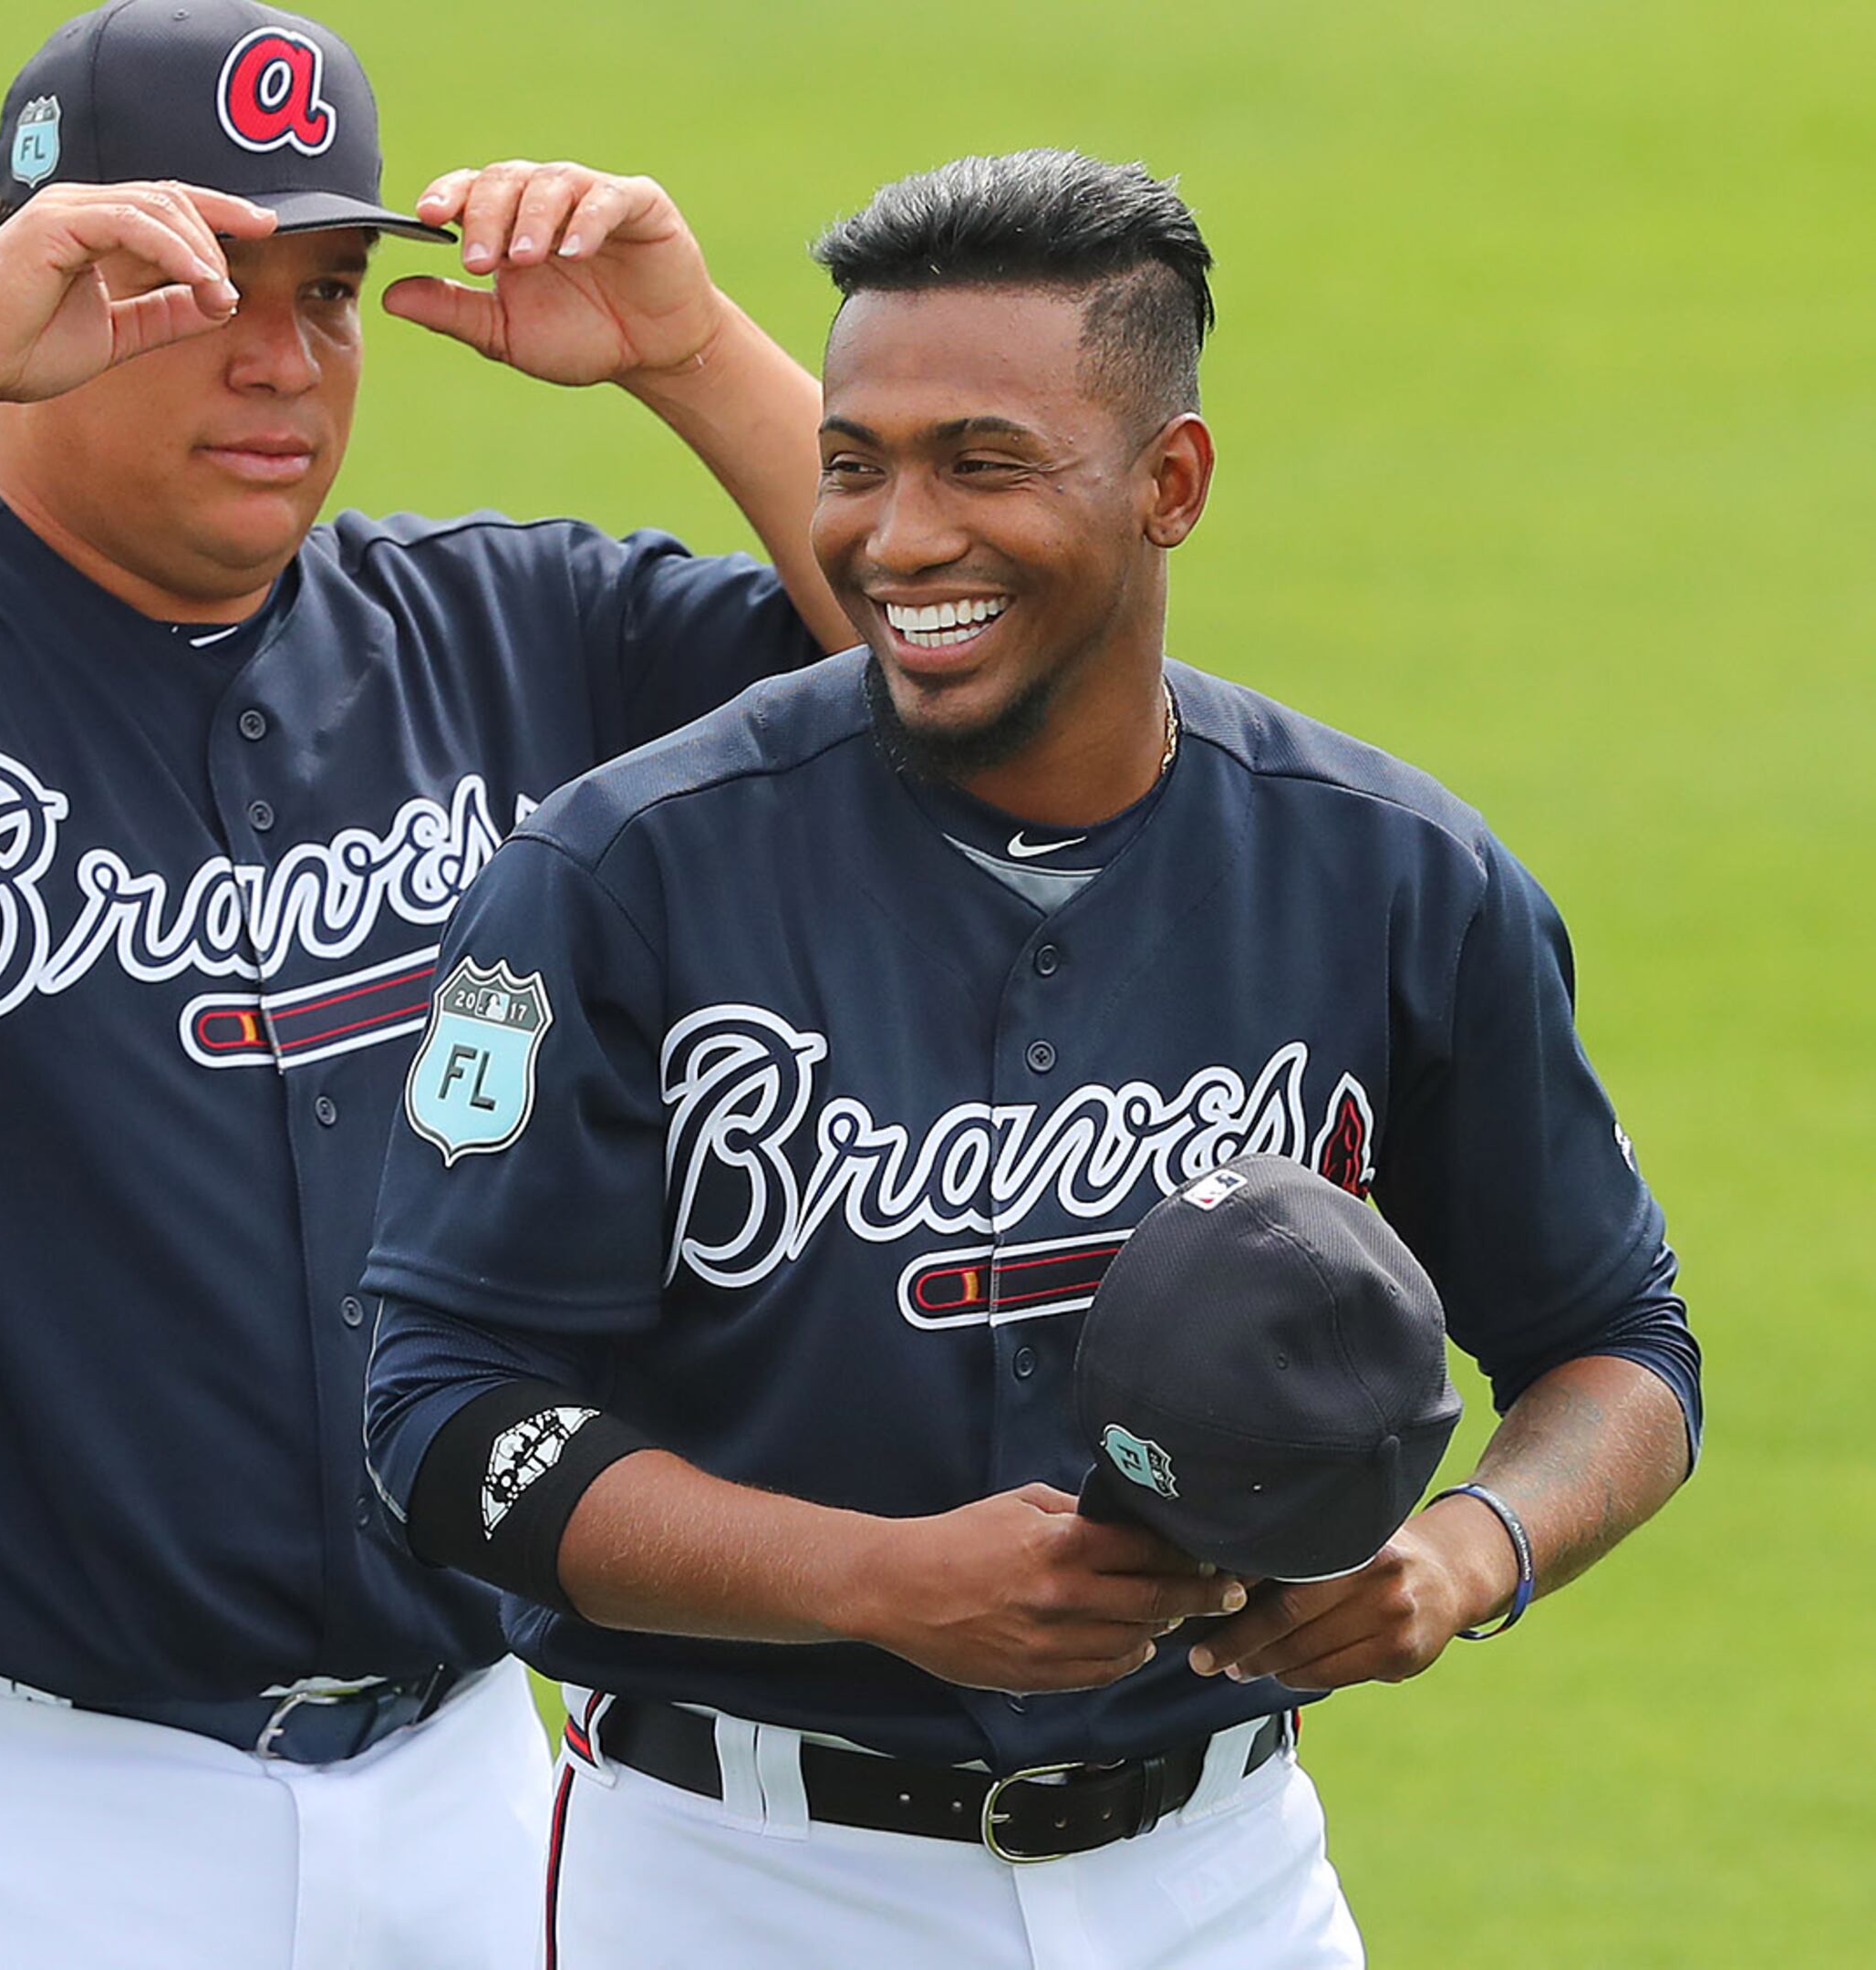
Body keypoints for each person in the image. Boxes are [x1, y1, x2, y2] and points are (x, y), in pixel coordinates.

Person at [0, 1, 856, 1962]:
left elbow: (980, 671)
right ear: (47, 285)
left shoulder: (512, 636)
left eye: (335, 289)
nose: (282, 358)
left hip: (456, 1785)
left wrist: (695, 350)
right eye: (197, 286)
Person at [357, 149, 1702, 1966]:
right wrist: (877, 1583)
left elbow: (1619, 1349)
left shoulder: (1394, 877)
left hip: (1223, 1882)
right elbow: (441, 1416)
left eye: (983, 463)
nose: (900, 537)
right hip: (740, 1883)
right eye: (857, 464)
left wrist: (1464, 1560)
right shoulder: (615, 878)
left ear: (1172, 482)